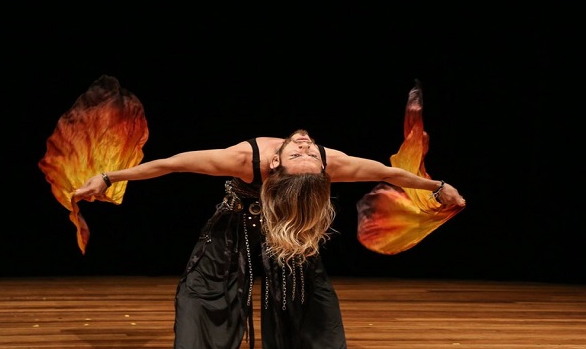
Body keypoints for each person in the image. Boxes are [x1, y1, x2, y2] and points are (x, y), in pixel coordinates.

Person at [74, 129, 466, 349]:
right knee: (201, 295)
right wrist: (108, 178)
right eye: (303, 153)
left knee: (307, 298)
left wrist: (437, 186)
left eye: (308, 154)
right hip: (234, 224)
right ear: (273, 162)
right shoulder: (244, 159)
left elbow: (389, 173)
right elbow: (170, 164)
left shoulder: (324, 164)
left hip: (291, 229)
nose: (306, 146)